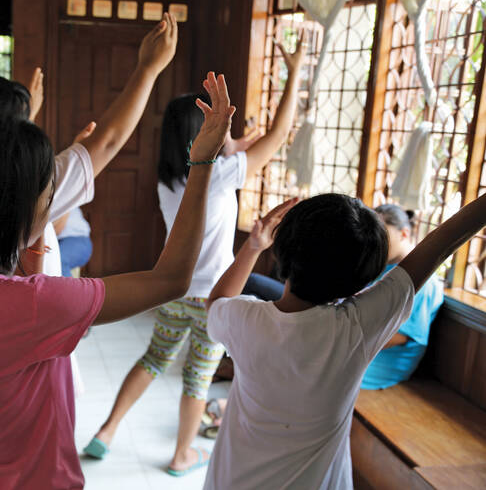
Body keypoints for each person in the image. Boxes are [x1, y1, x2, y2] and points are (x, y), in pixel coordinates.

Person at [0, 69, 234, 489]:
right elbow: (171, 279)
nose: (53, 206)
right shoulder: (30, 306)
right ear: (10, 218)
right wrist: (203, 161)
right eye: (48, 197)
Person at [85, 33, 305, 476]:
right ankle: (182, 455)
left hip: (172, 289)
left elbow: (237, 147)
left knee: (152, 359)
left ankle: (105, 432)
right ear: (205, 133)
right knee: (197, 377)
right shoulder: (223, 175)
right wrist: (296, 69)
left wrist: (242, 139)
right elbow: (281, 135)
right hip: (211, 298)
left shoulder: (170, 178)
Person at [203, 191, 486, 489]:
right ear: (364, 280)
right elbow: (440, 244)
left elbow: (217, 302)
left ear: (282, 248)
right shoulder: (358, 328)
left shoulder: (244, 319)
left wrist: (253, 246)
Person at [361, 204, 444, 389]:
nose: (374, 243)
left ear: (404, 233)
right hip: (363, 354)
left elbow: (401, 336)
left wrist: (343, 342)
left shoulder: (423, 280)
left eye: (382, 236)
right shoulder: (384, 268)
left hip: (381, 366)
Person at [55, 208, 93, 278]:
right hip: (59, 242)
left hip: (78, 239)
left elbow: (57, 229)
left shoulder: (63, 199)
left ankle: (69, 289)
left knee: (57, 261)